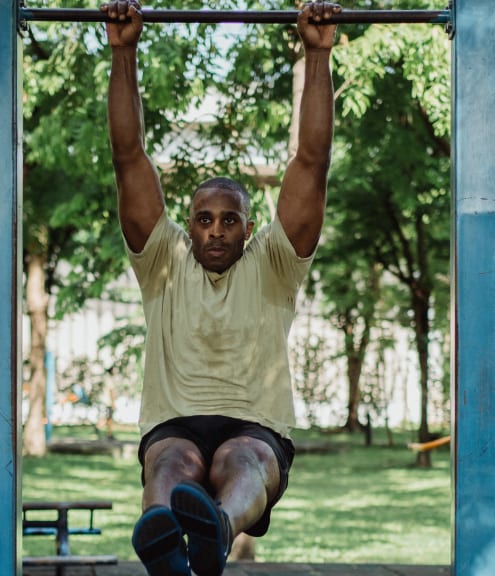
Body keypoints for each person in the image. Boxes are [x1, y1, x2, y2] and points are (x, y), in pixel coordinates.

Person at [102, 1, 339, 574]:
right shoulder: (163, 259)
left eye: (228, 219)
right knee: (168, 465)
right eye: (204, 219)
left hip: (255, 425)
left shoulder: (275, 262)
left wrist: (317, 53)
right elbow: (128, 155)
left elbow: (312, 160)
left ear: (248, 227)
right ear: (188, 225)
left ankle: (216, 533)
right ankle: (164, 546)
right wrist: (123, 52)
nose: (215, 230)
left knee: (244, 459)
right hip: (175, 422)